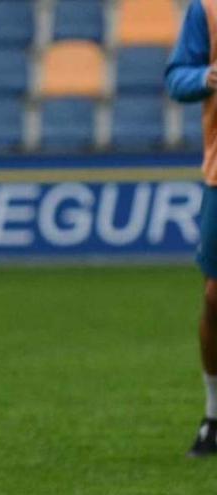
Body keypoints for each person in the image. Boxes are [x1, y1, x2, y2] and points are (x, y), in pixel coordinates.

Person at [166, 0, 217, 458]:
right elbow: (176, 77)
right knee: (214, 299)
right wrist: (205, 78)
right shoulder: (207, 9)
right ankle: (215, 413)